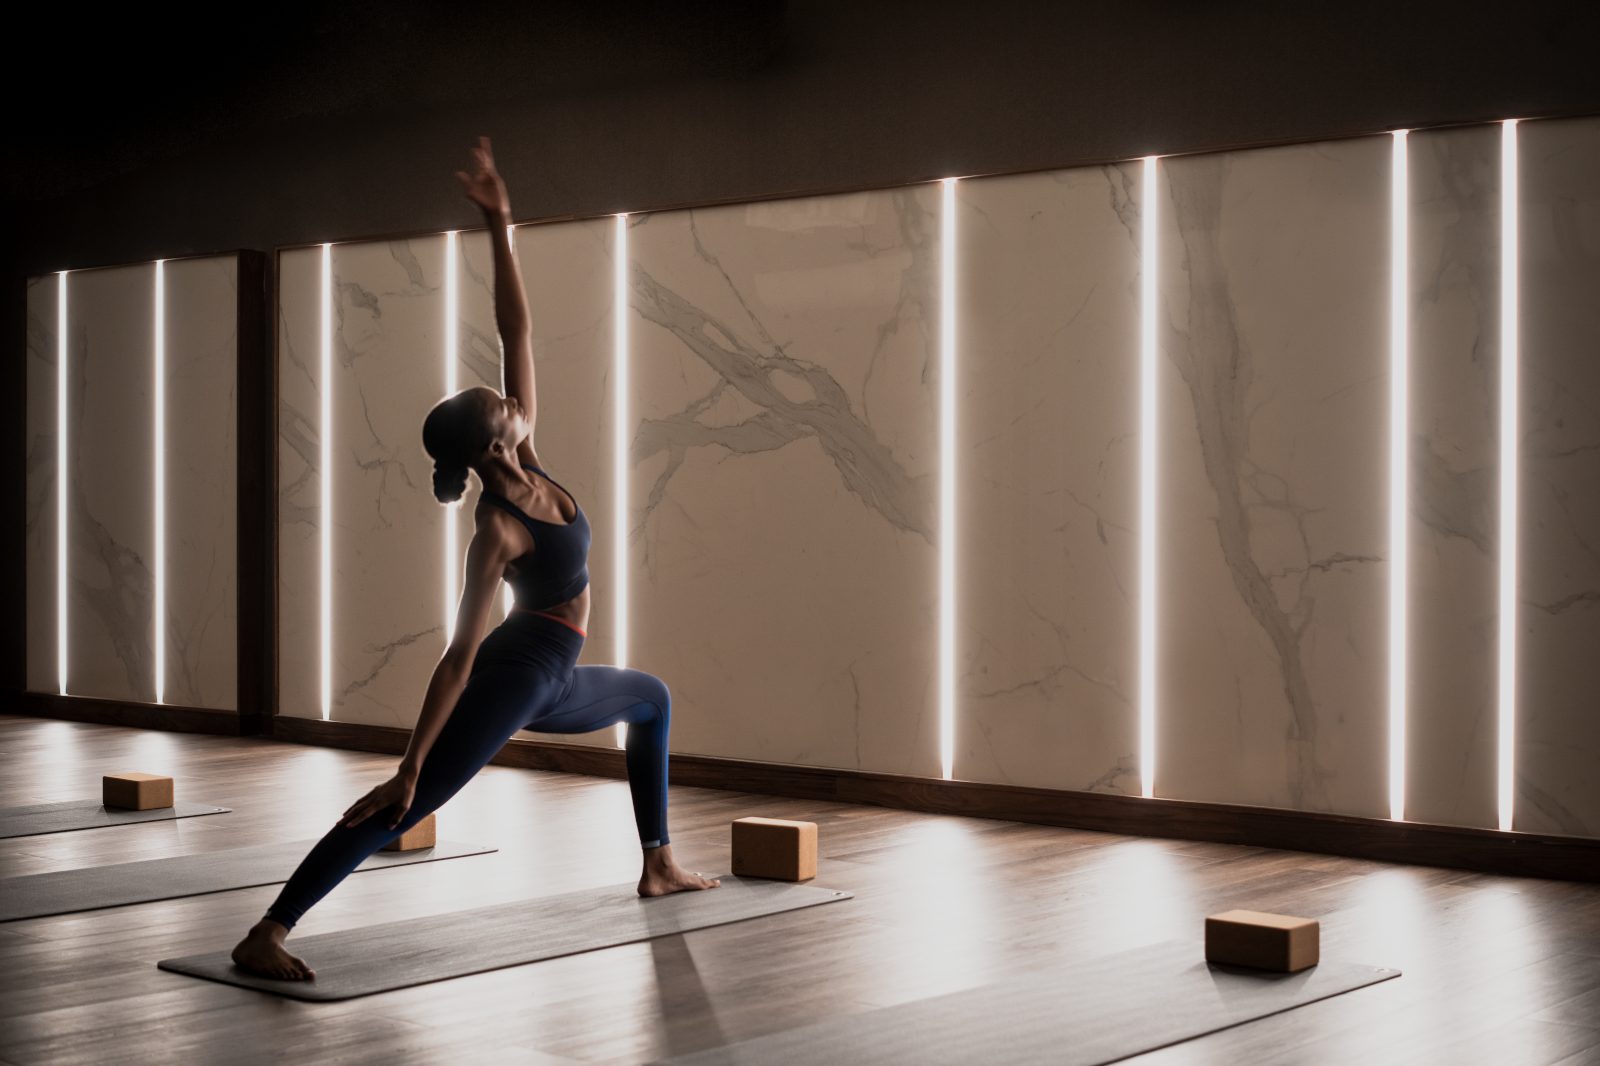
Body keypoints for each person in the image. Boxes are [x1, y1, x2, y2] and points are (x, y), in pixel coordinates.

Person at [231, 136, 718, 981]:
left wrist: (499, 220)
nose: (521, 402)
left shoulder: (528, 461)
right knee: (411, 800)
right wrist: (408, 759)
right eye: (507, 405)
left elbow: (515, 325)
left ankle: (657, 863)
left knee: (651, 701)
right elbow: (460, 653)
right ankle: (268, 930)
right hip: (516, 675)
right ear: (497, 441)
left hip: (557, 671)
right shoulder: (497, 528)